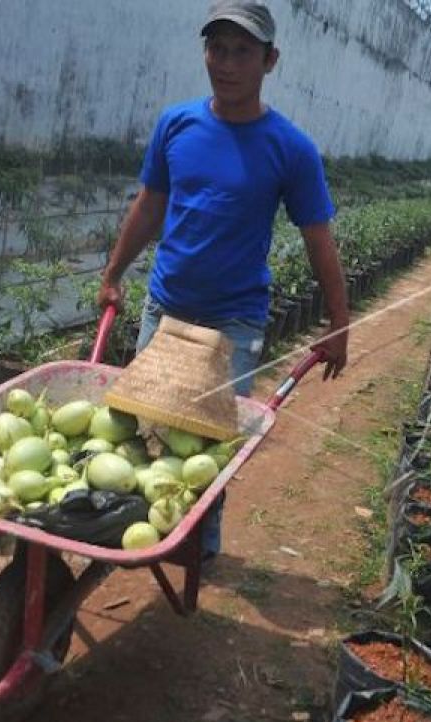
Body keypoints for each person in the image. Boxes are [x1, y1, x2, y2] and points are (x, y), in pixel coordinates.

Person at [97, 0, 349, 563]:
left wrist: (340, 322)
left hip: (234, 320)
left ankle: (199, 549)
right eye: (217, 48)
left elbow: (318, 239)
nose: (226, 63)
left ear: (270, 61)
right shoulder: (177, 124)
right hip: (164, 309)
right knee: (144, 429)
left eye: (242, 52)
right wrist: (114, 274)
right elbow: (150, 206)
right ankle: (144, 529)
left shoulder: (292, 148)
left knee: (207, 447)